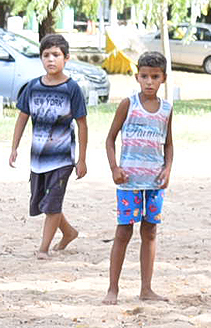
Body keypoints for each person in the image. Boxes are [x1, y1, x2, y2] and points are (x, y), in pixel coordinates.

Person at [103, 51, 174, 304]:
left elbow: (168, 143)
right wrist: (114, 168)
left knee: (150, 232)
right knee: (123, 232)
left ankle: (146, 288)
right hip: (128, 182)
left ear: (163, 78)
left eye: (155, 77)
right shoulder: (128, 104)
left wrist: (168, 168)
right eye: (144, 76)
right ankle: (113, 288)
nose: (149, 82)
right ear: (137, 77)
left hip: (154, 182)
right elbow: (110, 139)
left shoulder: (167, 109)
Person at [9, 32, 87, 257]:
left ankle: (43, 248)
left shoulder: (71, 89)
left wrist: (81, 158)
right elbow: (22, 118)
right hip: (38, 157)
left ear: (66, 58)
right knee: (44, 202)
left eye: (56, 55)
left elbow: (82, 124)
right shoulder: (33, 86)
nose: (51, 59)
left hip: (62, 157)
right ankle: (69, 232)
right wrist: (14, 147)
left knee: (52, 203)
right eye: (46, 55)